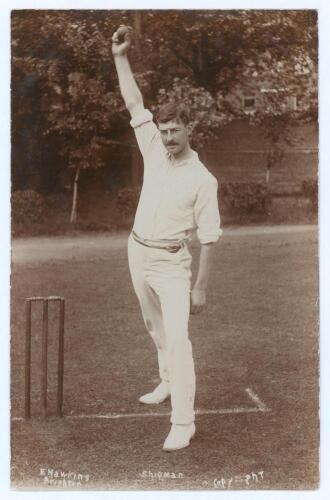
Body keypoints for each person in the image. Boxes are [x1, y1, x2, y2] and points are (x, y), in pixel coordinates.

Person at [112, 26, 222, 451]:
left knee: (178, 337)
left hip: (173, 264)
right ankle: (167, 382)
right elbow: (133, 102)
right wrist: (121, 58)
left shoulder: (203, 179)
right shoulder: (154, 149)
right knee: (153, 326)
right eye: (164, 129)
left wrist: (200, 287)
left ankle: (183, 421)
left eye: (175, 129)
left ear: (188, 128)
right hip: (137, 250)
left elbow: (209, 238)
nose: (169, 136)